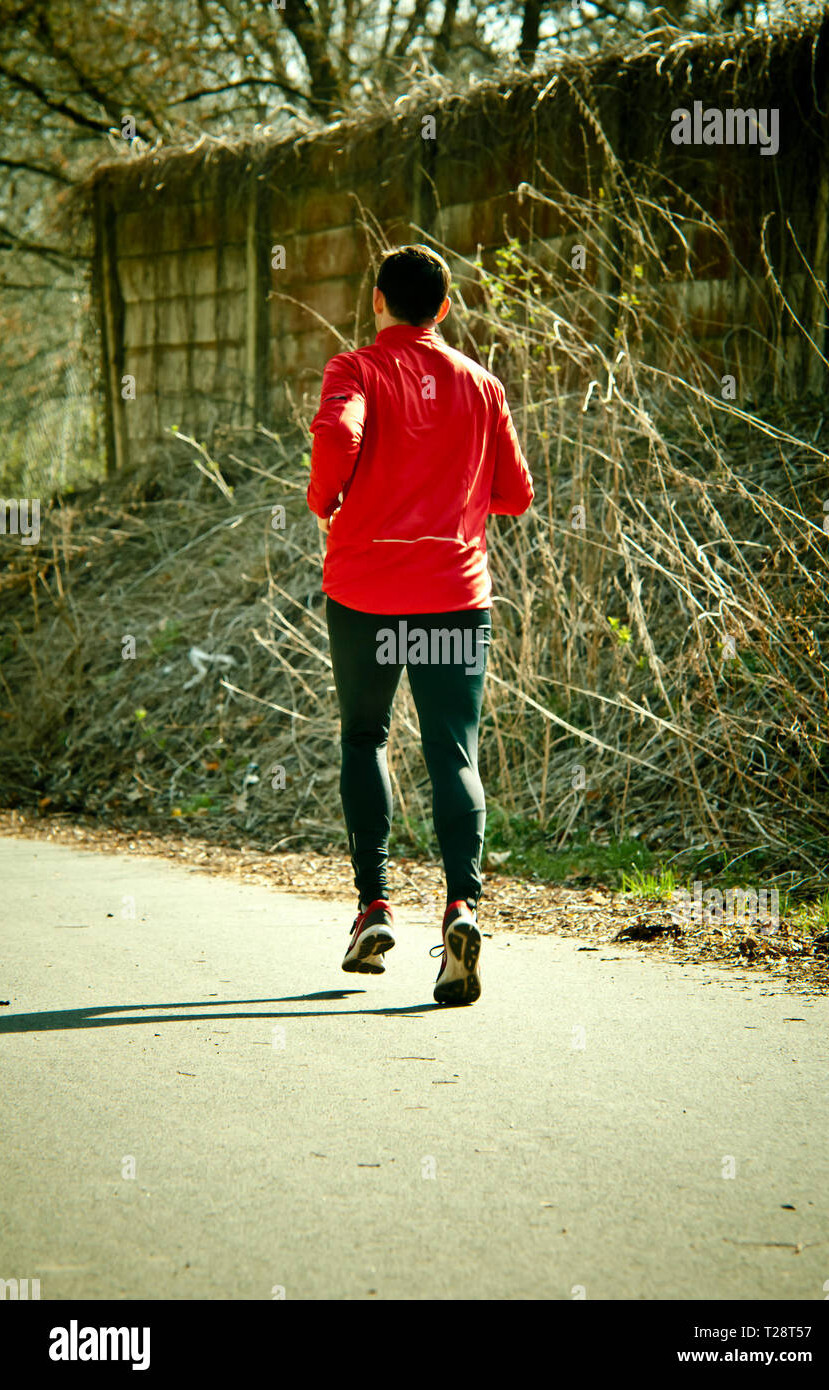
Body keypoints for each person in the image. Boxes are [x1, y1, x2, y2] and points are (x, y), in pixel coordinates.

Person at [307, 244, 533, 1005]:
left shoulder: (355, 369)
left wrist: (325, 500)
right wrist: (455, 496)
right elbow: (516, 494)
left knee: (364, 737)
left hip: (367, 594)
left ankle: (373, 907)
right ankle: (461, 909)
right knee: (451, 751)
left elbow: (339, 435)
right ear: (442, 308)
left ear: (377, 301)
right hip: (453, 596)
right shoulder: (482, 384)